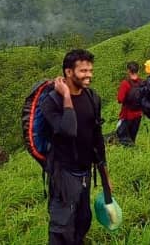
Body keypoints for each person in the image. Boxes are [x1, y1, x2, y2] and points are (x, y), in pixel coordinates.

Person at [40, 49, 111, 245]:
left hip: (85, 172)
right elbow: (68, 129)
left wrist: (105, 176)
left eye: (90, 70)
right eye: (83, 71)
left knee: (83, 220)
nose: (89, 75)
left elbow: (96, 138)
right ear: (68, 72)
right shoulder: (51, 102)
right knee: (61, 227)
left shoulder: (92, 98)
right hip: (64, 173)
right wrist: (66, 97)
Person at [116, 61, 142, 146]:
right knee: (132, 137)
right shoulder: (141, 82)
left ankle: (126, 155)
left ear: (128, 71)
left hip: (126, 115)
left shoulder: (125, 83)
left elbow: (120, 99)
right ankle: (133, 153)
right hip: (138, 115)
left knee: (122, 138)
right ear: (138, 71)